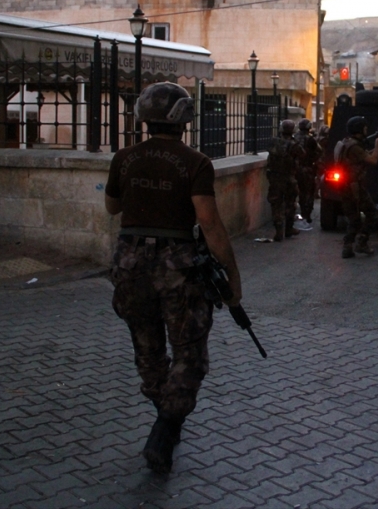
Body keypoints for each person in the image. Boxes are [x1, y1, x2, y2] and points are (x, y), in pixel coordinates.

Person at [104, 82, 243, 474]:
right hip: (177, 268)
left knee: (148, 351)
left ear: (144, 117)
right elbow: (210, 224)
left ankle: (165, 420)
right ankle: (166, 428)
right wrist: (233, 277)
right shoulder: (196, 162)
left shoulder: (124, 158)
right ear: (184, 118)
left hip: (130, 265)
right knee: (190, 356)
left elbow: (112, 206)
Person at [333, 115, 378, 258]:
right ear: (359, 129)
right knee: (371, 213)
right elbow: (372, 161)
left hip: (346, 186)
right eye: (364, 127)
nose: (366, 129)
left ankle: (348, 247)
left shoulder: (347, 143)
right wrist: (377, 146)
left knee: (354, 218)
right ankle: (361, 243)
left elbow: (363, 156)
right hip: (354, 187)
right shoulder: (354, 146)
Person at [266, 119, 306, 241]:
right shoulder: (294, 145)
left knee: (276, 205)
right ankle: (289, 229)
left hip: (274, 177)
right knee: (290, 204)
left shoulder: (273, 142)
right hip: (289, 178)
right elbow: (303, 155)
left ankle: (278, 231)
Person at [294, 119, 321, 224]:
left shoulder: (294, 138)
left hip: (295, 169)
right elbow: (319, 151)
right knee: (308, 192)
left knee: (298, 192)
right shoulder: (310, 139)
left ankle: (299, 212)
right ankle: (306, 214)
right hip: (307, 169)